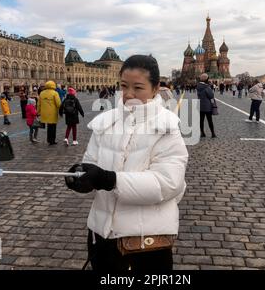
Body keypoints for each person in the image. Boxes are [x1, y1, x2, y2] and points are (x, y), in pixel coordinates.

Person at [64, 55, 189, 271]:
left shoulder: (167, 127)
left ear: (155, 88)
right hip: (102, 234)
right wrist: (83, 179)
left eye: (138, 87)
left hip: (146, 239)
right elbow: (91, 162)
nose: (128, 94)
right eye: (123, 86)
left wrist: (110, 180)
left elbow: (168, 184)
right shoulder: (106, 123)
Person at [38, 81, 62, 145]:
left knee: (49, 127)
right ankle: (52, 140)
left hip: (44, 113)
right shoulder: (55, 93)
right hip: (52, 113)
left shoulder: (42, 93)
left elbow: (39, 104)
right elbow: (58, 104)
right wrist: (61, 110)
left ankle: (48, 139)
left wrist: (38, 112)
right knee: (53, 127)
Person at [197, 73, 216, 138]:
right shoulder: (207, 87)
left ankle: (202, 133)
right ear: (206, 79)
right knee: (209, 120)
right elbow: (211, 96)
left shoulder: (198, 86)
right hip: (207, 106)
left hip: (200, 105)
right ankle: (213, 133)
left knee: (201, 120)